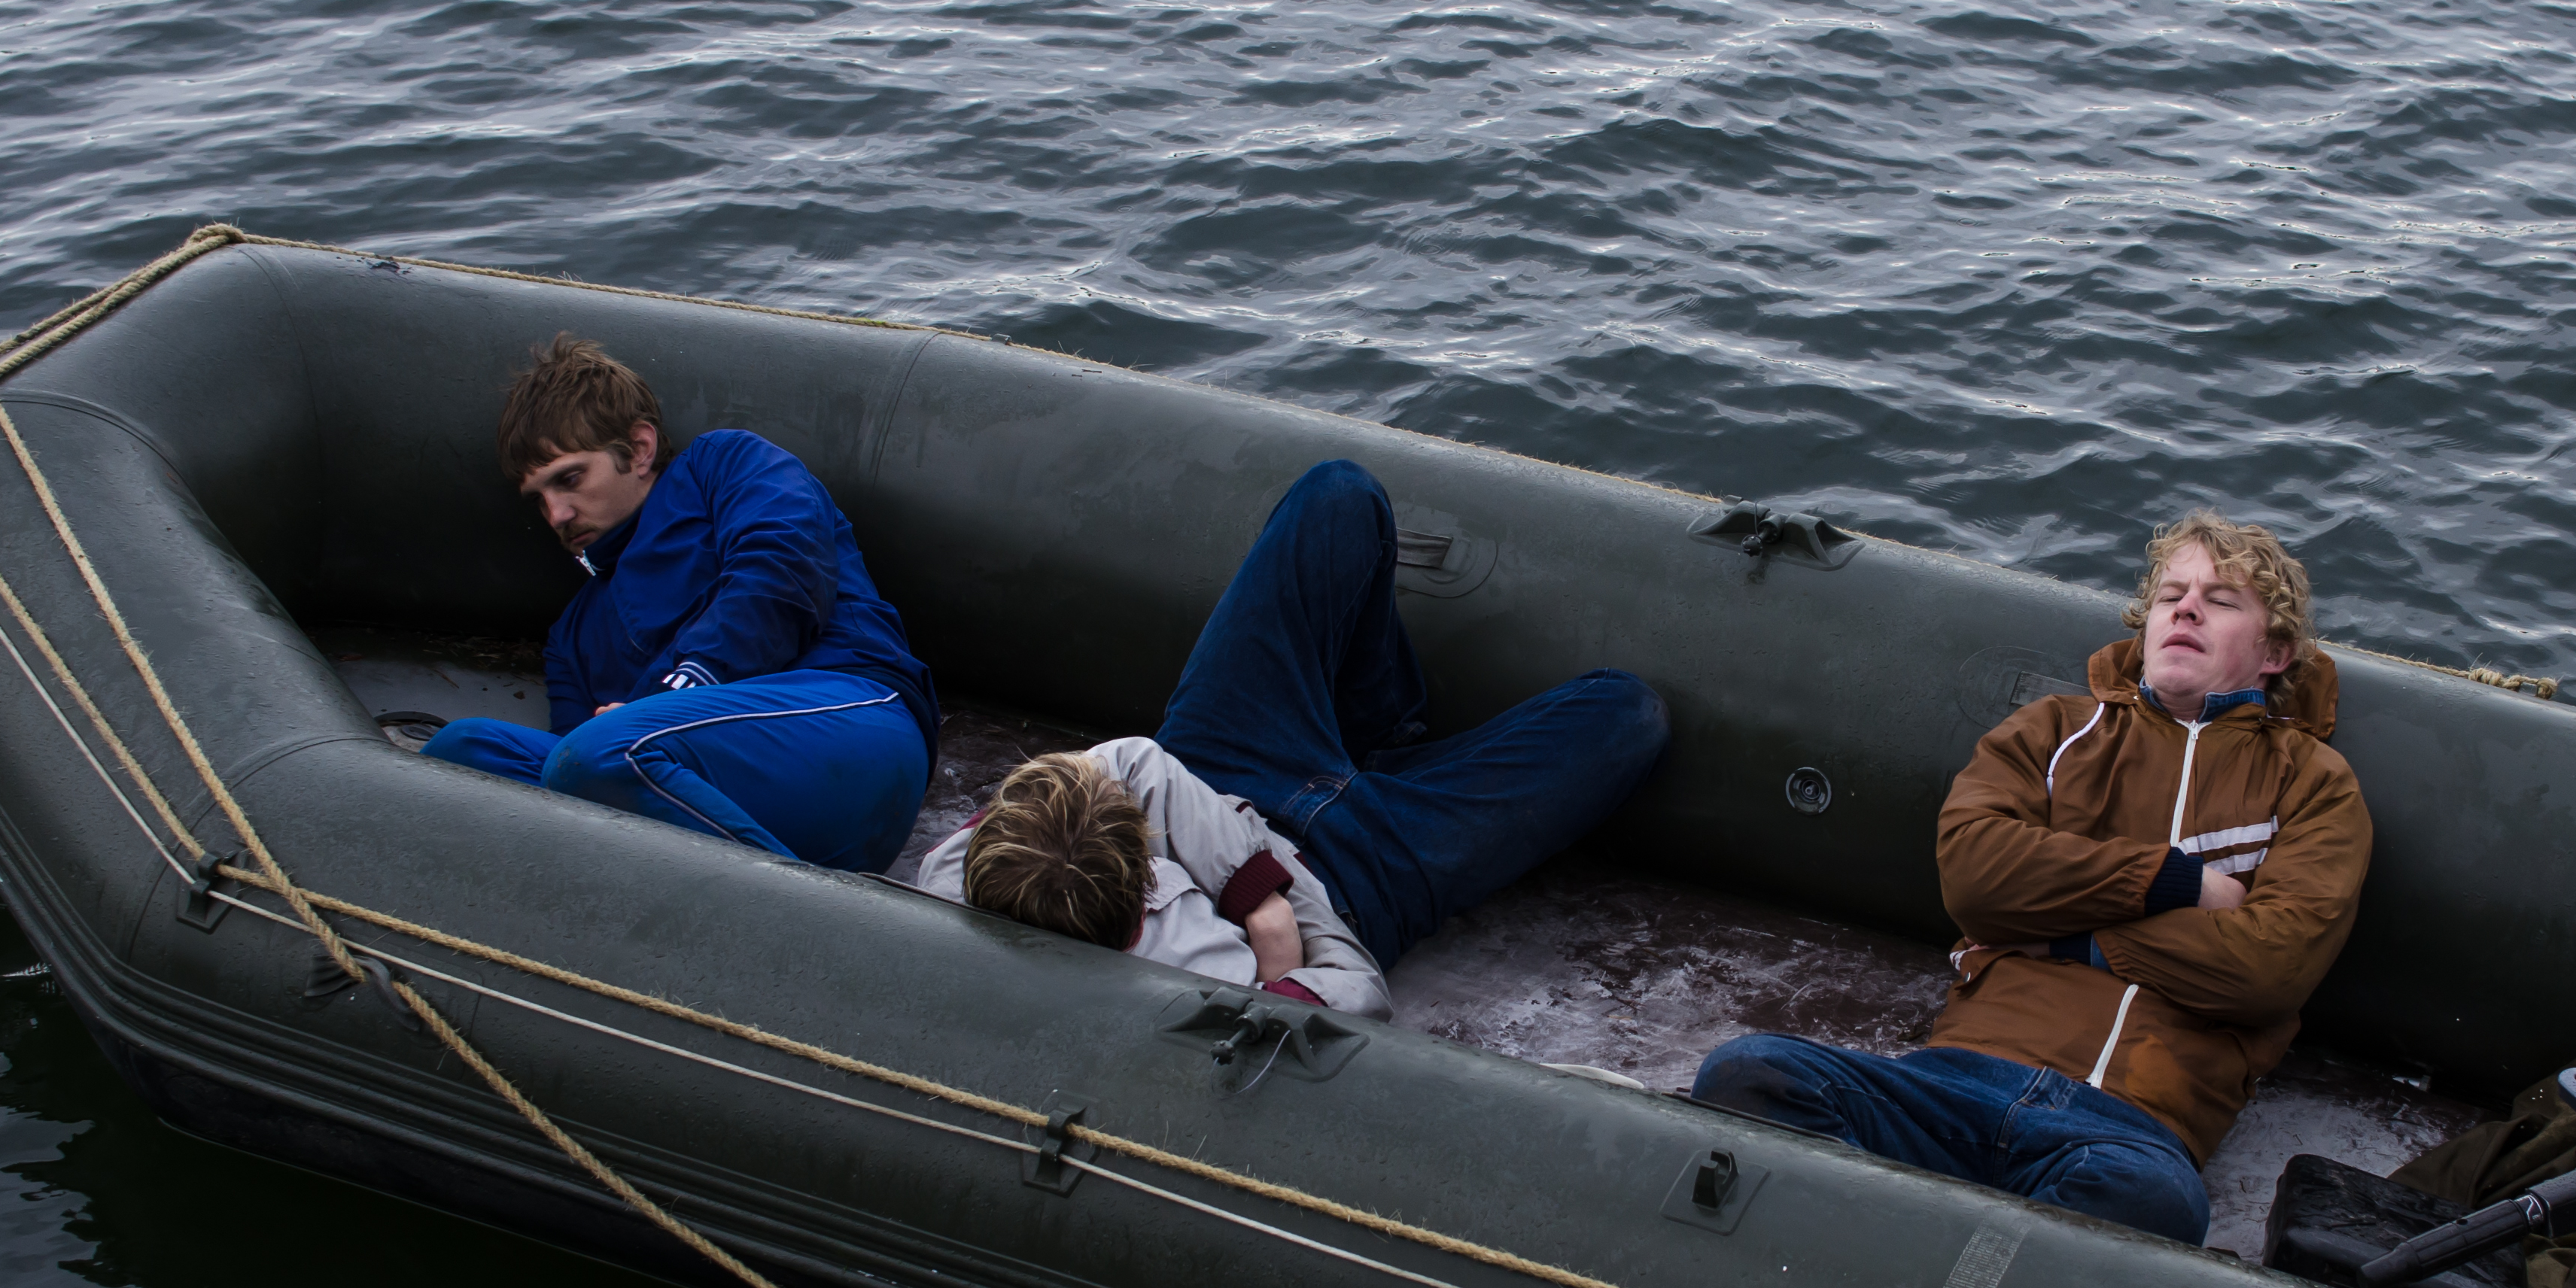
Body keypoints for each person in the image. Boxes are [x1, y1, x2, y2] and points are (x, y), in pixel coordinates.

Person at [1692, 511, 2371, 1244]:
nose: (2185, 607)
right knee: (1749, 1072)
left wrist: (2061, 936)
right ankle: (1922, 1253)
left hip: (2128, 1131)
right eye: (2172, 593)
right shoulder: (2053, 731)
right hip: (1956, 1082)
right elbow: (1976, 879)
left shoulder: (2313, 785)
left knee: (2154, 1205)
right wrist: (2175, 882)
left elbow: (2266, 971)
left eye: (2220, 599)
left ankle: (1909, 1246)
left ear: (2273, 653)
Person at [422, 334, 938, 873]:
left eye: (570, 479)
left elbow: (781, 574)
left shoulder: (725, 465)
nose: (556, 515)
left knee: (602, 750)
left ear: (640, 449)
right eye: (540, 499)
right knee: (464, 751)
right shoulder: (571, 639)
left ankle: (824, 937)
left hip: (852, 719)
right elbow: (572, 775)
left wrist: (667, 692)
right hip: (704, 793)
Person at [1148, 458, 1671, 971]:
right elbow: (1338, 997)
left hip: (1203, 783)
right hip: (1344, 878)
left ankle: (1369, 743)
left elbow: (1115, 773)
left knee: (1339, 491)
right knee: (1630, 714)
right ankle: (1382, 767)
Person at [907, 741, 1390, 1017]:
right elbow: (1359, 988)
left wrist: (1249, 880)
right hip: (1339, 875)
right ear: (1141, 911)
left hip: (1208, 772)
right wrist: (1271, 906)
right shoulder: (1205, 995)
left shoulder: (954, 877)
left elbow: (1132, 760)